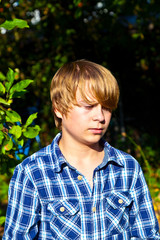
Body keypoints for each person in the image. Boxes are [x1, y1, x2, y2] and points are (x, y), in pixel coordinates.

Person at [3, 60, 160, 239]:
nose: (100, 117)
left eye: (107, 108)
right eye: (88, 106)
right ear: (59, 108)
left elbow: (147, 235)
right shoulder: (32, 173)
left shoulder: (127, 168)